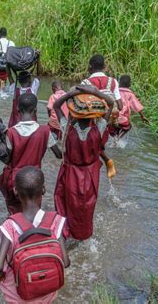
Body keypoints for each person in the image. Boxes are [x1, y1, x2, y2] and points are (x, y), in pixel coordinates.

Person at [0, 166, 70, 303]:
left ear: (16, 191)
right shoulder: (56, 221)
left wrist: (0, 277)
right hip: (47, 291)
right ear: (44, 190)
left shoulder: (9, 226)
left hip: (18, 293)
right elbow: (65, 262)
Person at [53, 86, 115, 240]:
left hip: (71, 174)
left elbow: (56, 106)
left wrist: (72, 94)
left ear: (74, 114)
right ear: (93, 116)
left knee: (67, 203)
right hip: (90, 175)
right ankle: (84, 234)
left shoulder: (67, 127)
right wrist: (94, 92)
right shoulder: (99, 128)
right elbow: (111, 103)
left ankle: (66, 233)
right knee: (87, 206)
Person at [0, 93, 62, 214]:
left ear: (17, 109)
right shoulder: (45, 131)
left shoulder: (11, 132)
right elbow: (58, 154)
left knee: (15, 215)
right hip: (35, 179)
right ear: (36, 110)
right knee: (34, 213)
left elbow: (7, 159)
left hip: (16, 180)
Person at [81, 54, 120, 178]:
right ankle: (101, 165)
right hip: (108, 123)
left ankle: (104, 163)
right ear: (104, 66)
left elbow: (81, 106)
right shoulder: (113, 81)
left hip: (92, 123)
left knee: (90, 148)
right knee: (95, 148)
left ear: (90, 67)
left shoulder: (85, 82)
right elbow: (121, 105)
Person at [7, 55, 42, 128]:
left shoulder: (14, 90)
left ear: (19, 81)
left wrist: (7, 65)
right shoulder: (32, 90)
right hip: (30, 124)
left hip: (15, 124)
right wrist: (38, 58)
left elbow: (9, 76)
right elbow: (39, 73)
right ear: (30, 80)